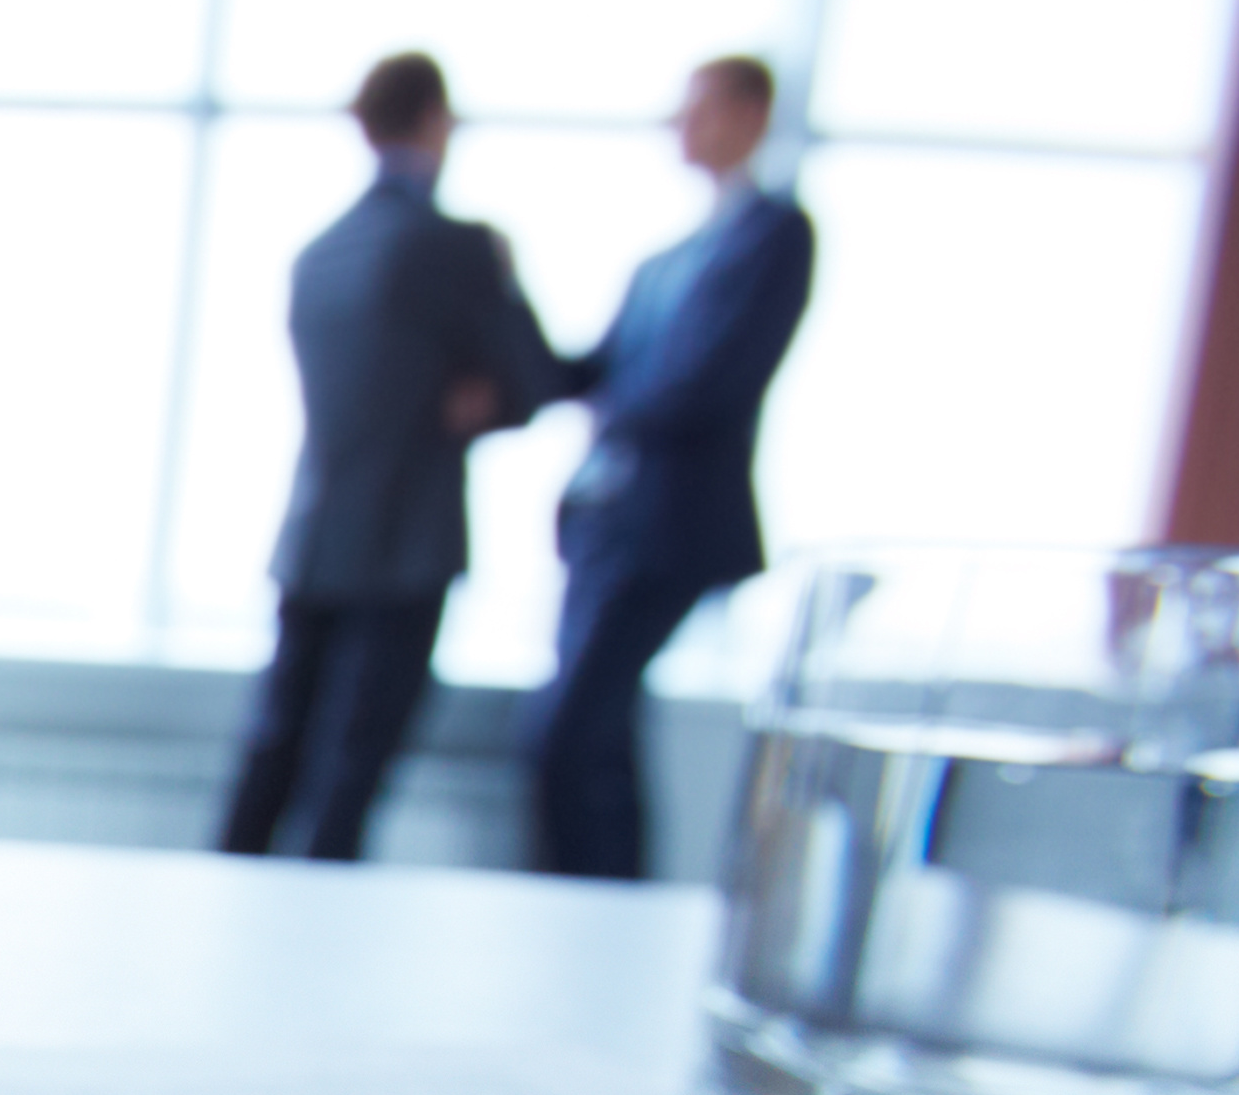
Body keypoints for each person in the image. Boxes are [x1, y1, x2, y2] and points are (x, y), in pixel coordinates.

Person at [221, 51, 557, 863]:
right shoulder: (453, 248)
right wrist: (502, 298)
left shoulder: (322, 251)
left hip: (314, 535)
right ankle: (314, 954)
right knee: (351, 771)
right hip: (404, 541)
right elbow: (535, 379)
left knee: (273, 756)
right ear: (436, 121)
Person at [525, 54, 817, 878]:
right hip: (602, 523)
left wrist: (616, 406)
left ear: (753, 117)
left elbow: (703, 384)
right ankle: (602, 903)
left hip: (670, 528)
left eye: (701, 111)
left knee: (566, 731)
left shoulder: (773, 235)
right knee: (599, 737)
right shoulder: (666, 261)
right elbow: (587, 371)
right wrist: (499, 307)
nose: (682, 129)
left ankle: (595, 900)